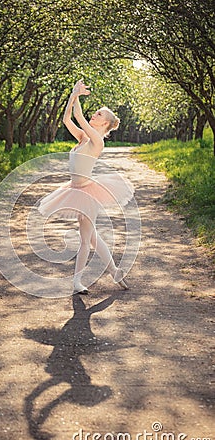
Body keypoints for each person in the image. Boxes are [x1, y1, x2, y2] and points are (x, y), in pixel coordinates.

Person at [38, 80, 134, 294]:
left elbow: (79, 117)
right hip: (74, 189)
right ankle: (114, 271)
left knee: (85, 239)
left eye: (100, 114)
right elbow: (67, 119)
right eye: (96, 112)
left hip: (88, 194)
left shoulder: (97, 142)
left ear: (106, 124)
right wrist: (73, 97)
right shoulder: (83, 137)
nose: (95, 115)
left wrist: (77, 96)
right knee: (91, 237)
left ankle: (77, 282)